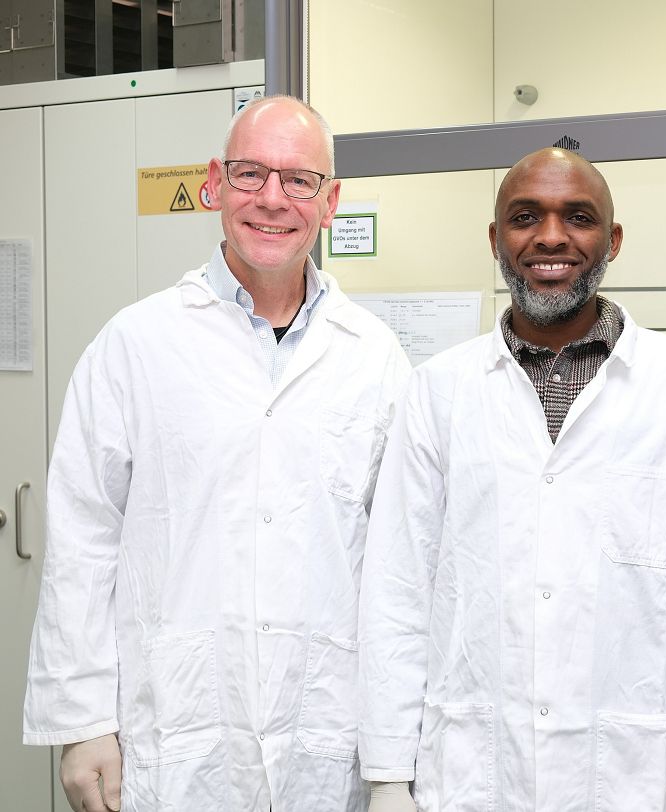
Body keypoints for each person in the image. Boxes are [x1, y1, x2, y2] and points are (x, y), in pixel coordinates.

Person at [24, 95, 410, 812]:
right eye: (249, 173)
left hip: (326, 725)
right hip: (174, 725)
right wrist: (82, 723)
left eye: (299, 180)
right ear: (213, 183)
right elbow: (83, 541)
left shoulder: (376, 358)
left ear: (330, 203)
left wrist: (396, 757)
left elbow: (399, 566)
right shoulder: (135, 344)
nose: (272, 199)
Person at [358, 147, 666, 812]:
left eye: (578, 217)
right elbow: (398, 589)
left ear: (614, 239)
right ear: (496, 240)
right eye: (525, 217)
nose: (550, 237)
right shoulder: (439, 389)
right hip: (470, 773)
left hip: (628, 778)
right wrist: (385, 775)